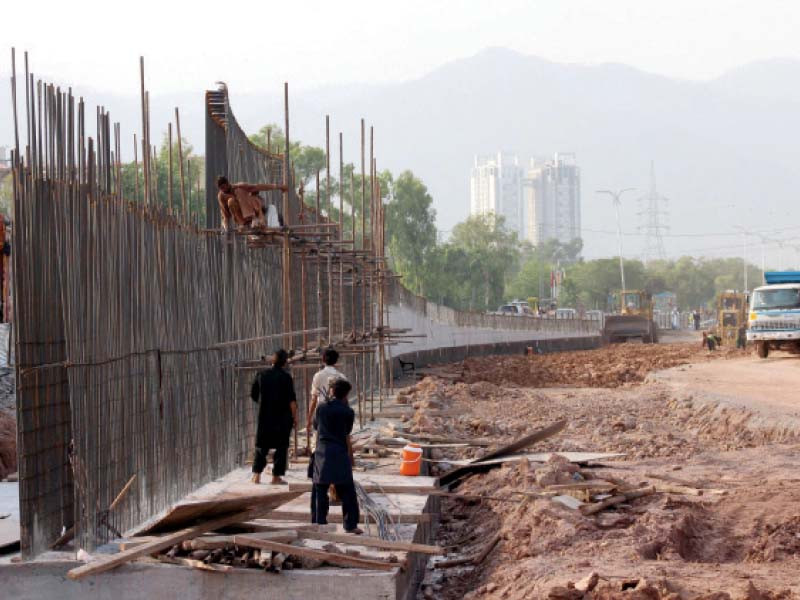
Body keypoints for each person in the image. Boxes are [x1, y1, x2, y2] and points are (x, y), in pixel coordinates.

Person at [311, 378, 362, 534]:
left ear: (331, 391)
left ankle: (319, 524)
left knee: (319, 490)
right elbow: (347, 431)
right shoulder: (348, 412)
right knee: (347, 490)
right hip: (339, 452)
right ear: (346, 394)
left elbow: (315, 426)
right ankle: (350, 524)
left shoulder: (321, 408)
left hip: (322, 452)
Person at [250, 349, 297, 485]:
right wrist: (294, 417)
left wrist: (264, 402)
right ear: (285, 362)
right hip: (283, 418)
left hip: (265, 416)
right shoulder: (286, 377)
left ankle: (256, 476)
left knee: (261, 446)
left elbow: (253, 395)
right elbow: (292, 401)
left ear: (273, 360)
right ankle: (276, 477)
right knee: (281, 447)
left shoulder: (261, 375)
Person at [306, 348, 348, 452]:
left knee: (318, 442)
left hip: (321, 414)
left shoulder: (318, 376)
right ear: (336, 360)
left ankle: (318, 463)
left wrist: (309, 419)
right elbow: (345, 400)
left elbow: (314, 399)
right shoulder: (341, 377)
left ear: (323, 359)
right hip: (338, 413)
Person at [216, 175, 287, 231]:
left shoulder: (239, 187)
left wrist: (278, 186)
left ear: (228, 183)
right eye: (221, 188)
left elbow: (258, 186)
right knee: (231, 201)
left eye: (224, 187)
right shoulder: (221, 196)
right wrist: (226, 227)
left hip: (255, 213)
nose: (224, 190)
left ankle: (253, 218)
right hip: (242, 217)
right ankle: (243, 224)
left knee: (239, 191)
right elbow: (225, 214)